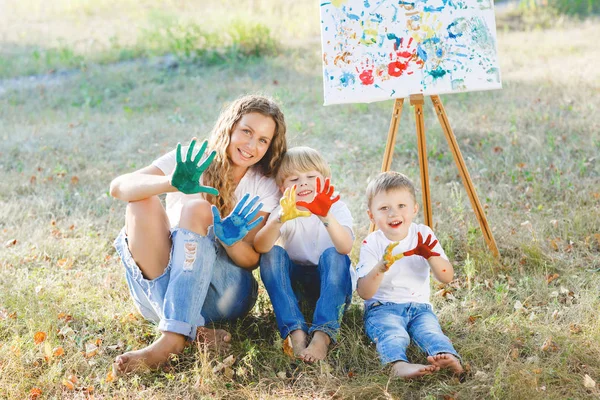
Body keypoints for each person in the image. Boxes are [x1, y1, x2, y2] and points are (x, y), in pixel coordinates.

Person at [109, 94, 287, 373]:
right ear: (230, 126)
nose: (252, 146)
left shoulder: (262, 184)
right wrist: (169, 183)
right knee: (142, 201)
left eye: (263, 140)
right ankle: (191, 330)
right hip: (161, 293)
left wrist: (230, 241)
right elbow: (119, 187)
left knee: (197, 210)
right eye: (247, 132)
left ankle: (172, 338)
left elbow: (251, 259)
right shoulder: (196, 159)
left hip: (226, 294)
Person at [356, 171, 463, 378]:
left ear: (414, 209)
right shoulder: (372, 243)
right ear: (371, 215)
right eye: (384, 208)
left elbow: (446, 277)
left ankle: (448, 356)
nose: (393, 214)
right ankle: (397, 365)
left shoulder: (423, 235)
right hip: (383, 308)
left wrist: (431, 256)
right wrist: (379, 268)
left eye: (401, 206)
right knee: (392, 333)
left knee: (430, 332)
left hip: (420, 309)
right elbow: (364, 293)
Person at [254, 146, 355, 362]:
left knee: (334, 254)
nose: (303, 183)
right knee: (272, 253)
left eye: (311, 176)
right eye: (294, 179)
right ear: (282, 188)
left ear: (325, 181)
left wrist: (325, 215)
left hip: (333, 286)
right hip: (298, 286)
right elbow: (261, 246)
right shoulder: (285, 210)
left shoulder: (335, 207)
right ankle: (295, 333)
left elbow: (345, 248)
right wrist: (280, 217)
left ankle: (322, 336)